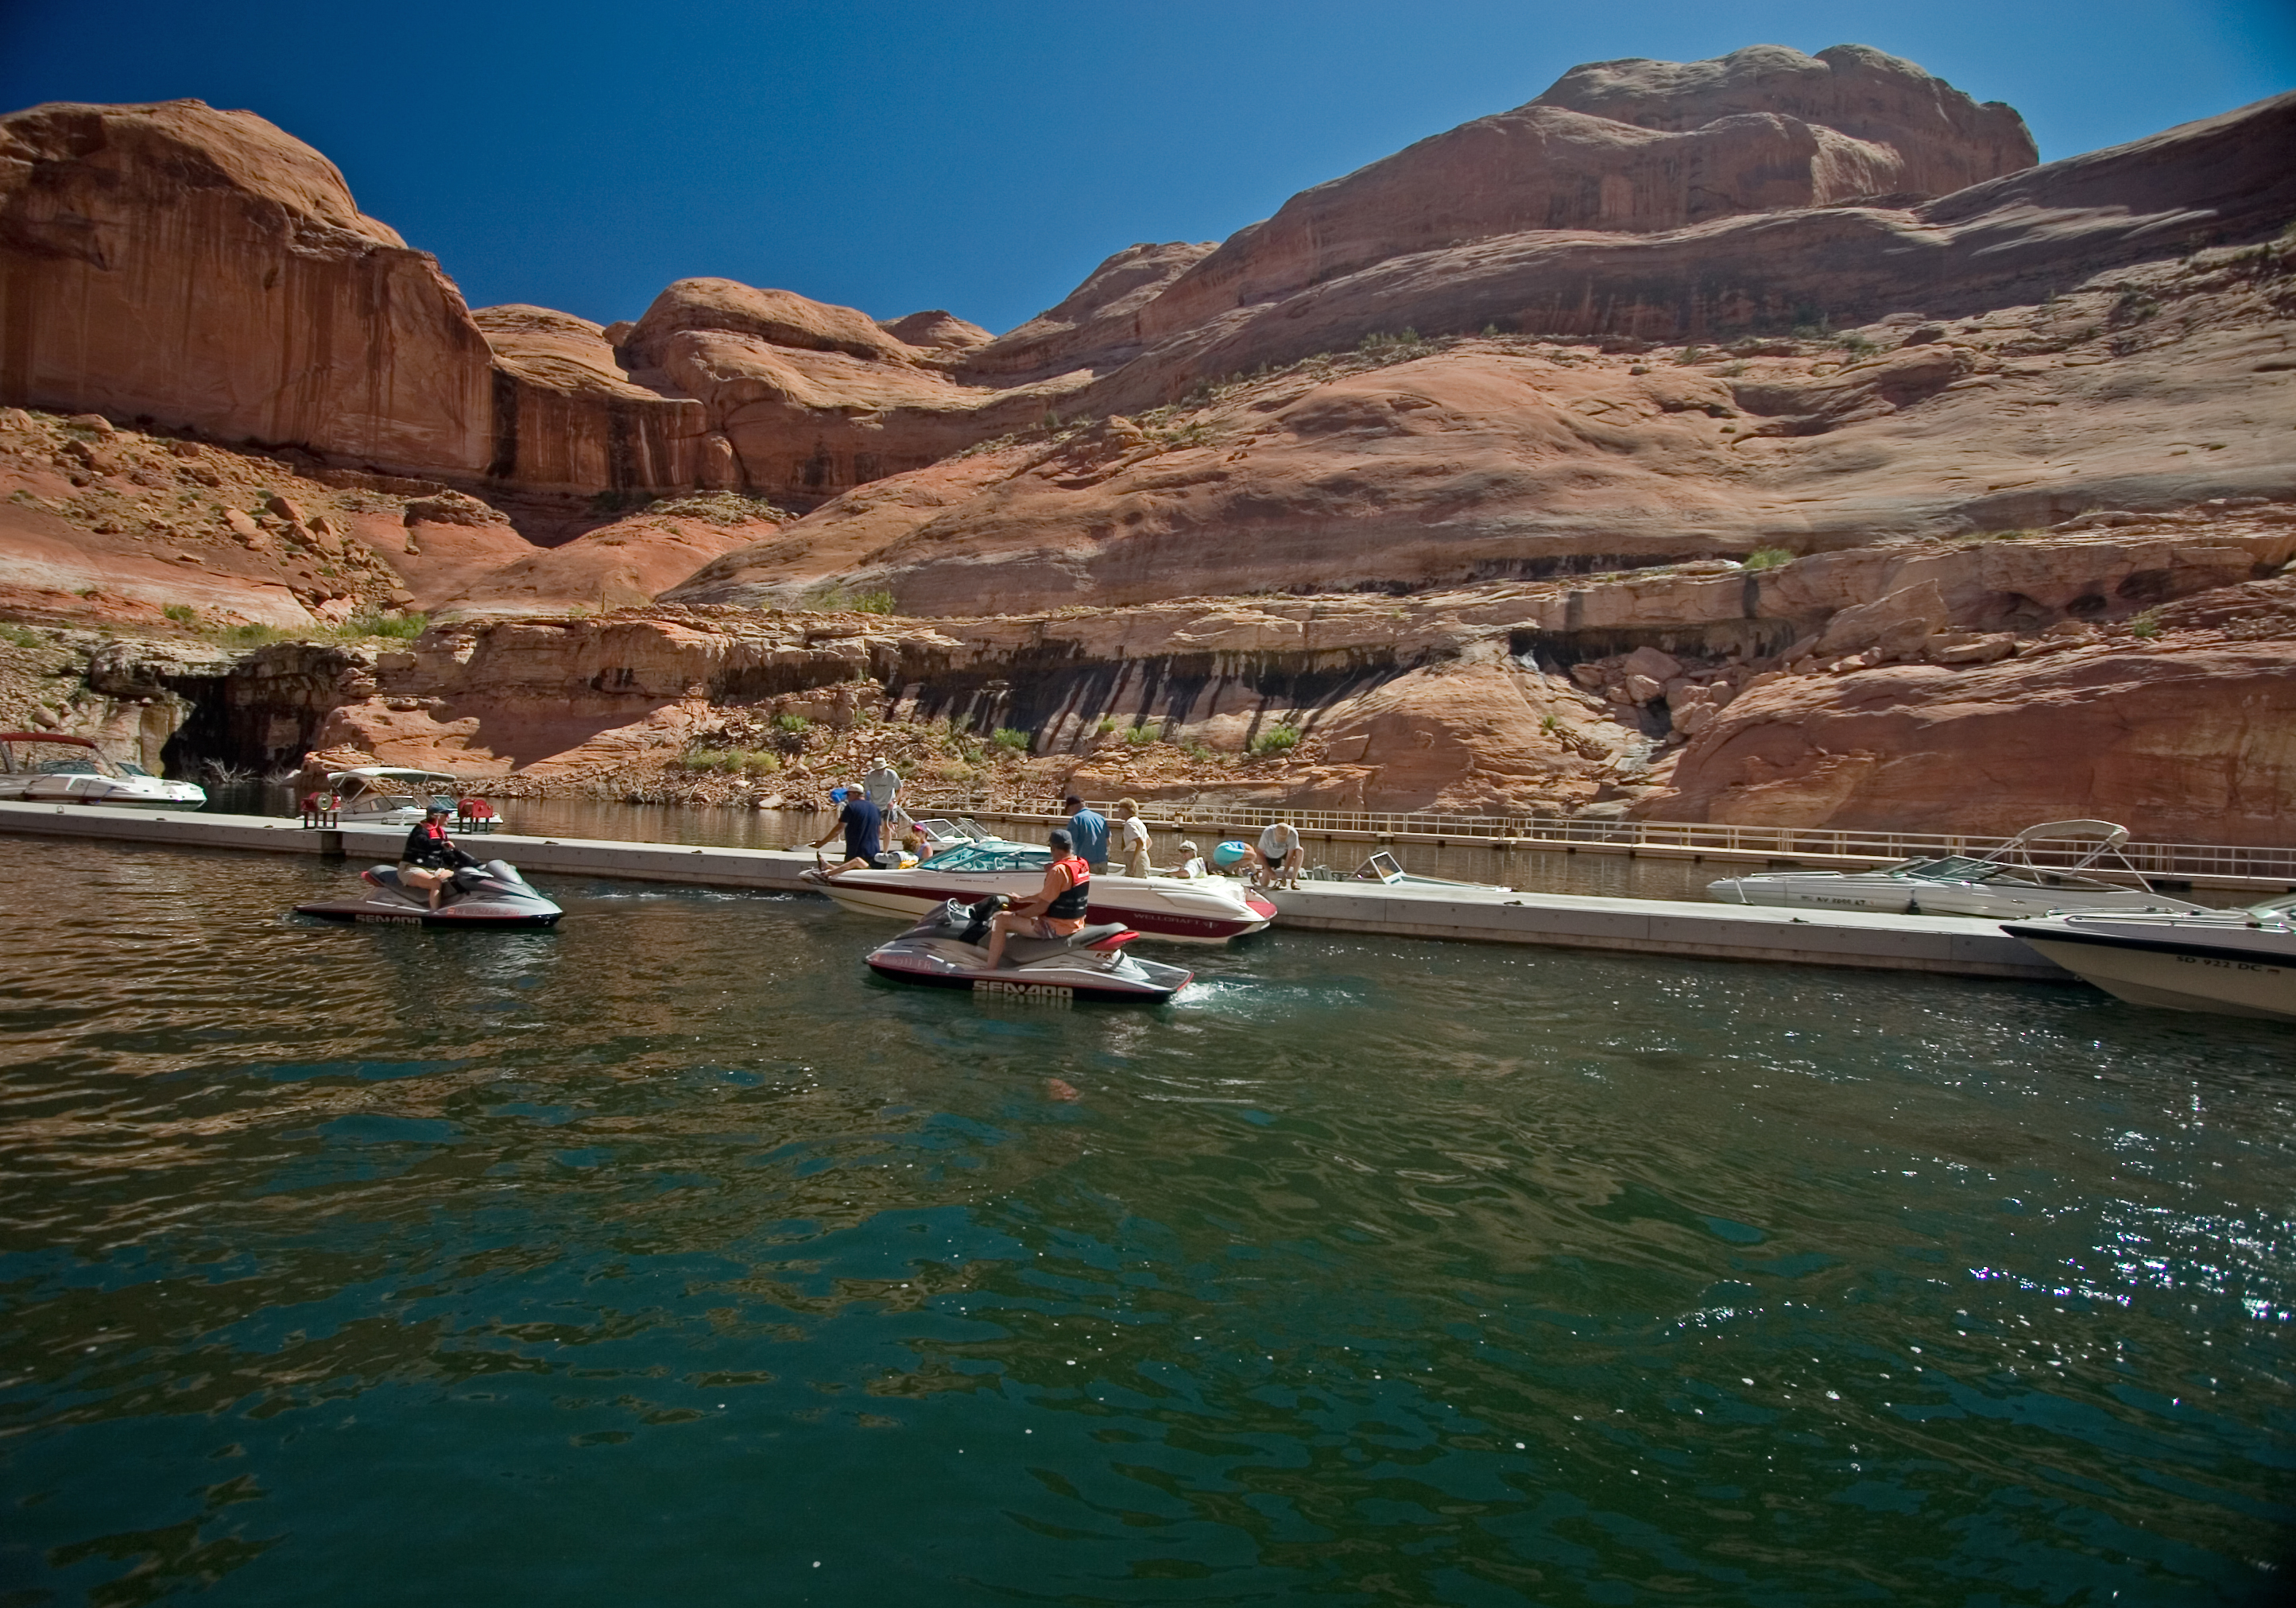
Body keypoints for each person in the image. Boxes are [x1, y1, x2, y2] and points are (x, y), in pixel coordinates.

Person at [984, 827, 1092, 968]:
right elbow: (1055, 894)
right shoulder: (1081, 864)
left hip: (1056, 928)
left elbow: (1041, 907)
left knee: (1001, 919)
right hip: (1075, 924)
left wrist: (1017, 914)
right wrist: (1022, 899)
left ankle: (989, 969)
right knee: (1014, 918)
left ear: (1053, 848)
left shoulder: (1058, 871)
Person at [398, 804, 478, 909]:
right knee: (436, 883)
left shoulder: (441, 833)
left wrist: (465, 865)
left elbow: (447, 856)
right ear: (436, 816)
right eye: (446, 815)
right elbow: (423, 842)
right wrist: (441, 844)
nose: (448, 818)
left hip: (434, 869)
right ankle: (434, 912)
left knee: (462, 878)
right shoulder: (420, 830)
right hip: (412, 868)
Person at [805, 782, 881, 874]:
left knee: (849, 873)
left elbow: (839, 829)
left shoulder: (851, 807)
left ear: (855, 794)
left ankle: (827, 870)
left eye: (848, 795)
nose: (847, 798)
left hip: (856, 849)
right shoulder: (875, 808)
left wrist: (822, 843)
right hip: (874, 850)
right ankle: (827, 866)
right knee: (864, 871)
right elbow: (879, 831)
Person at [1064, 793, 1109, 874]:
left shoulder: (1076, 820)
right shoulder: (1101, 818)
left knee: (1085, 886)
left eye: (1069, 810)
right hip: (1103, 863)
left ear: (1075, 806)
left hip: (1085, 863)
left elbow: (1068, 844)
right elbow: (1108, 842)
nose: (1069, 813)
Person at [1252, 820, 1304, 889]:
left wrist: (1284, 874)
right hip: (1270, 854)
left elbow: (1290, 856)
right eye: (1280, 838)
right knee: (1264, 884)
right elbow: (1260, 853)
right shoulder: (1267, 833)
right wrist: (1270, 872)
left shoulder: (1293, 834)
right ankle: (1259, 874)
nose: (1282, 841)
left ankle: (1294, 880)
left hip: (1284, 852)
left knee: (1300, 851)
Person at [1113, 797, 1152, 878]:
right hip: (1141, 857)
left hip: (1134, 857)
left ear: (1126, 810)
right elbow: (1149, 842)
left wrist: (1134, 862)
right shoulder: (1138, 822)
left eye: (1120, 809)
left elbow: (1140, 842)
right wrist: (1142, 854)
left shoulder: (1130, 823)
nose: (1118, 812)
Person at [864, 755, 903, 826]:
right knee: (875, 827)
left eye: (882, 769)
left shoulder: (892, 775)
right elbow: (866, 791)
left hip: (888, 805)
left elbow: (900, 790)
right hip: (875, 805)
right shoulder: (870, 775)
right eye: (878, 769)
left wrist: (894, 801)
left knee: (888, 826)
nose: (880, 771)